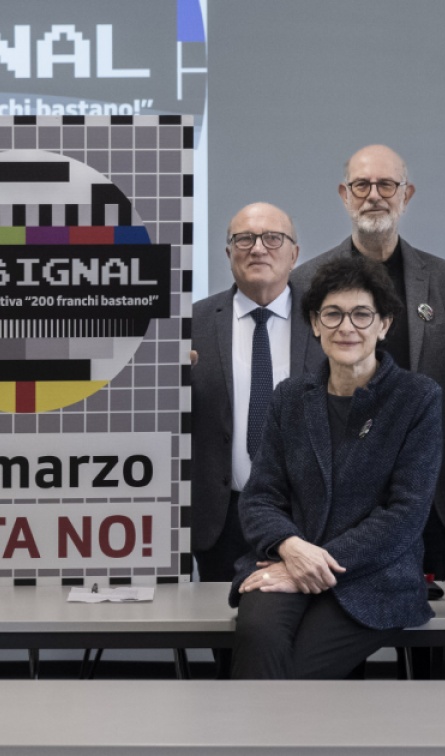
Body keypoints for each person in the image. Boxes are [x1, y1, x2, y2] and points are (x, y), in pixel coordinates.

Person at [231, 255, 440, 680]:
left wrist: (315, 564)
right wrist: (291, 549)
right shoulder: (290, 397)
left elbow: (405, 514)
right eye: (333, 314)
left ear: (384, 325)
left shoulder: (417, 398)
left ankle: (254, 726)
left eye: (362, 314)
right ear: (315, 323)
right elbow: (260, 498)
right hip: (290, 558)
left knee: (299, 667)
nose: (346, 327)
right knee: (258, 634)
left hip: (374, 574)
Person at [290, 145, 445, 583]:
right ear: (344, 195)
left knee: (436, 619)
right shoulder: (306, 282)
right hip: (336, 500)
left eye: (386, 185)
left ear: (406, 194)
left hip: (431, 497)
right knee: (340, 614)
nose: (374, 196)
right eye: (362, 185)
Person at [191, 203, 310, 585]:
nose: (258, 248)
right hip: (221, 517)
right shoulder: (192, 325)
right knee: (219, 619)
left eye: (272, 238)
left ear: (294, 254)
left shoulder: (325, 321)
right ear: (229, 253)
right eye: (244, 239)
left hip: (303, 515)